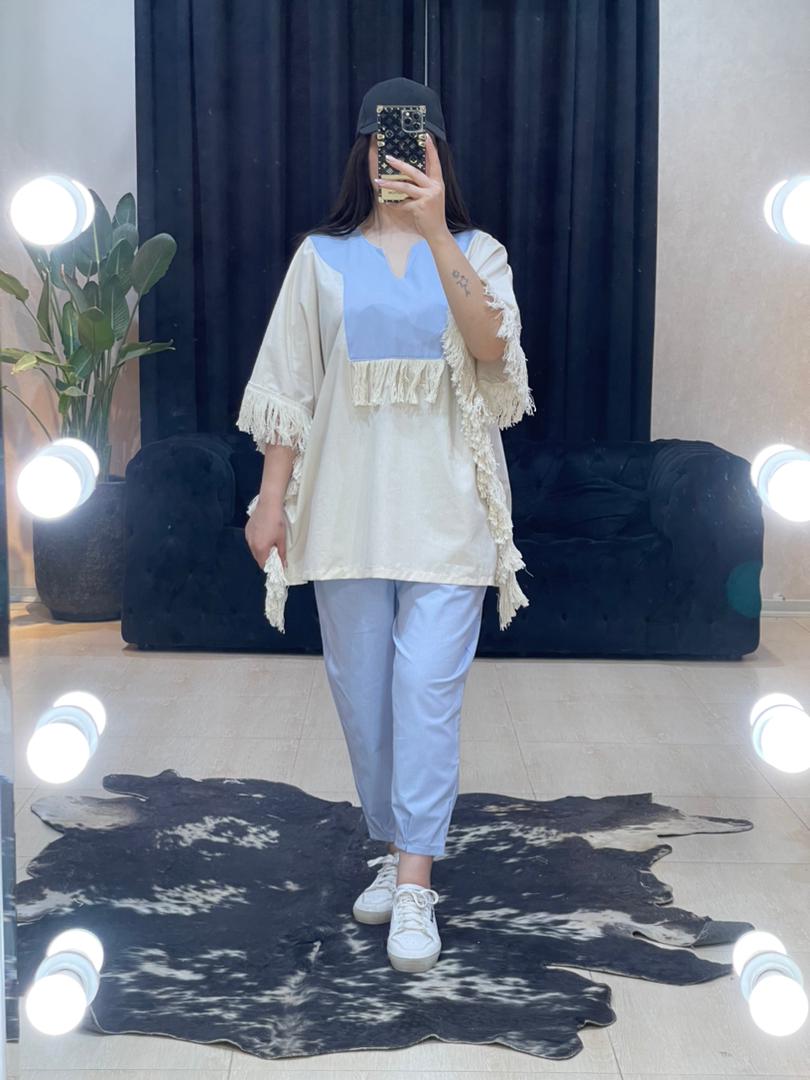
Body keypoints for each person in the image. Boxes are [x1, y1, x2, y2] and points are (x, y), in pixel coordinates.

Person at [237, 77, 536, 973]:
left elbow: (492, 349)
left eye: (412, 144)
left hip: (450, 510)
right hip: (347, 513)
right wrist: (269, 498)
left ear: (438, 154)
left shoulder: (477, 251)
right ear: (361, 154)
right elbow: (290, 386)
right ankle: (391, 842)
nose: (395, 158)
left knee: (426, 692)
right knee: (363, 697)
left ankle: (415, 882)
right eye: (381, 143)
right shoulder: (320, 259)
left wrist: (438, 230)